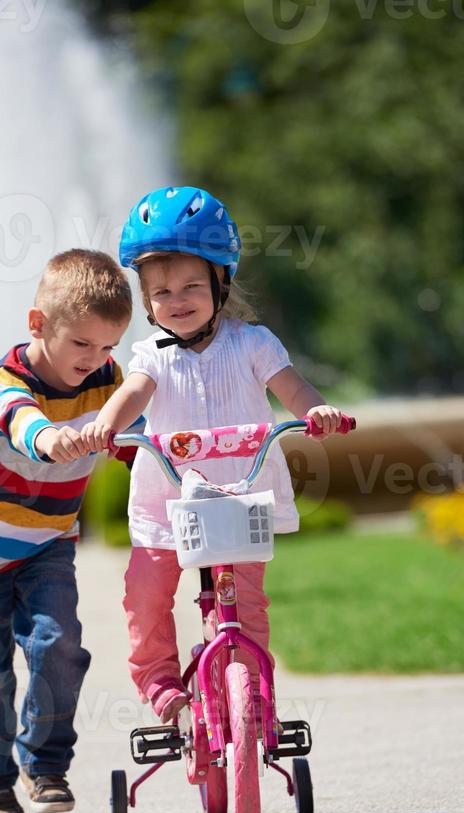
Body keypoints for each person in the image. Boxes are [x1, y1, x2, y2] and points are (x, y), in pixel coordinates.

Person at [83, 187, 344, 724]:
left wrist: (318, 413)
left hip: (239, 498)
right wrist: (105, 425)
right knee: (147, 593)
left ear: (221, 282)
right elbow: (131, 394)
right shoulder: (149, 356)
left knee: (245, 606)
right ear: (147, 300)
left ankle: (254, 698)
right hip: (167, 502)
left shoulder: (253, 343)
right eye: (161, 292)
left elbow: (291, 388)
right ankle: (160, 684)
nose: (177, 299)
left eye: (192, 286)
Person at [0, 249, 143, 813]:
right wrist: (48, 439)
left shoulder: (106, 382)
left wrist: (175, 466)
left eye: (108, 346)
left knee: (59, 645)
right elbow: (20, 420)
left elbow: (134, 439)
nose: (96, 360)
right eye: (81, 344)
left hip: (46, 542)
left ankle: (45, 765)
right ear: (38, 326)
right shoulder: (4, 381)